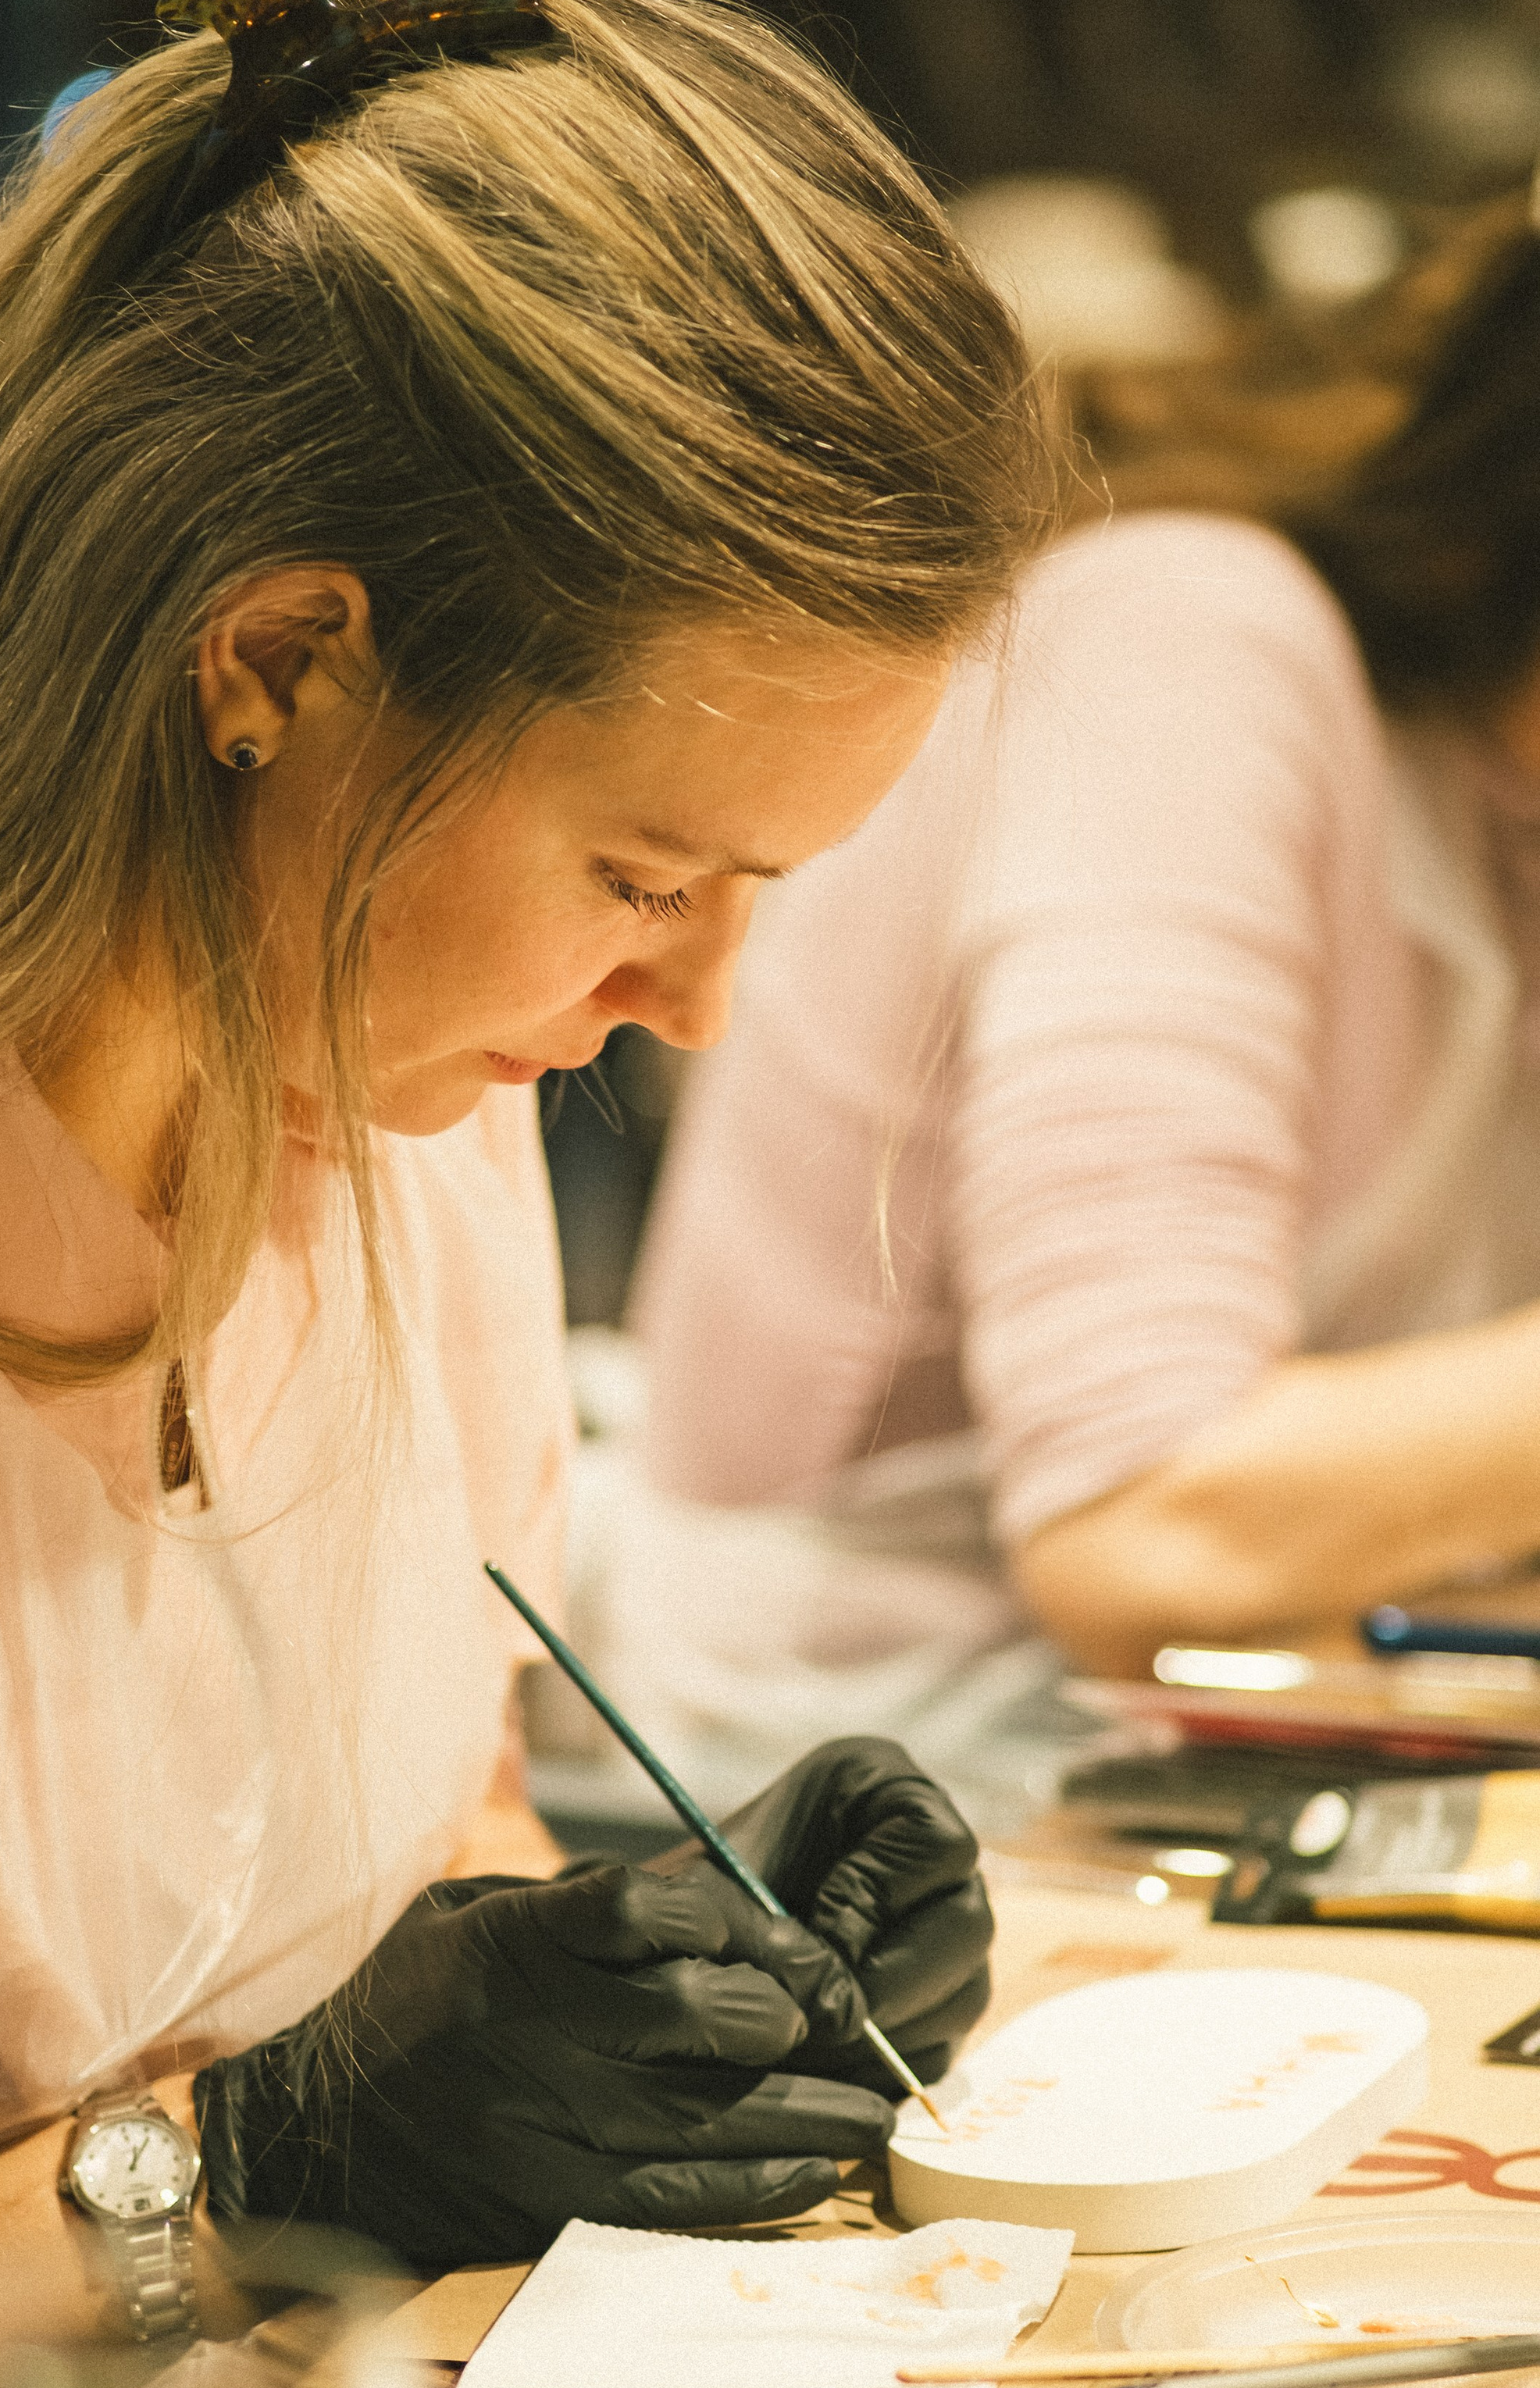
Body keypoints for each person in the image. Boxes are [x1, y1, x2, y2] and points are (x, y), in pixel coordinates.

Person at [0, 0, 1049, 2388]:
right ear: (274, 660)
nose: (692, 1006)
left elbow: (375, 1818)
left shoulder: (397, 1084)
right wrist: (221, 2172)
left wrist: (620, 1988)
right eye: (643, 869)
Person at [634, 188, 1540, 1695]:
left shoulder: (1500, 791)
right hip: (832, 1742)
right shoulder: (1193, 639)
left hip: (1235, 1715)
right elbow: (1135, 1521)